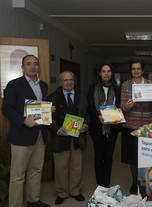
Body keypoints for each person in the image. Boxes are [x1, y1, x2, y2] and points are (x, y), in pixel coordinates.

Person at [2, 55, 50, 207]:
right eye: (28, 64)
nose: (32, 67)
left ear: (38, 67)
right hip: (21, 136)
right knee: (18, 176)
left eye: (35, 64)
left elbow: (39, 108)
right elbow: (6, 109)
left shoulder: (43, 85)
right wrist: (23, 120)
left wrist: (48, 110)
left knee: (36, 170)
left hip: (39, 136)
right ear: (22, 67)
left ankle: (33, 200)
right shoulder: (14, 84)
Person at [48, 71, 89, 205]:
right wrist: (56, 129)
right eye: (65, 80)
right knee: (61, 167)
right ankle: (62, 193)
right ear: (60, 82)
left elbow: (88, 113)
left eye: (71, 79)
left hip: (78, 137)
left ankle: (75, 191)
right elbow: (48, 119)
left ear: (74, 81)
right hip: (61, 137)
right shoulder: (52, 97)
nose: (68, 82)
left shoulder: (82, 96)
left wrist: (86, 125)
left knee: (76, 166)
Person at [121, 58, 152, 193]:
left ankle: (145, 182)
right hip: (130, 126)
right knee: (132, 158)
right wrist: (127, 106)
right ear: (131, 71)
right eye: (133, 69)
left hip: (146, 127)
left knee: (146, 156)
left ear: (142, 70)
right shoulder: (126, 85)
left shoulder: (150, 84)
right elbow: (122, 106)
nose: (136, 71)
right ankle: (134, 180)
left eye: (138, 68)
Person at [88, 64, 121, 187]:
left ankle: (106, 184)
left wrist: (116, 117)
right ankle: (99, 185)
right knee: (98, 157)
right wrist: (98, 116)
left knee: (108, 157)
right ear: (100, 73)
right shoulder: (93, 87)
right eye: (103, 71)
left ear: (111, 73)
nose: (106, 73)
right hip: (97, 127)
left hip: (112, 129)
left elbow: (119, 107)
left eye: (108, 71)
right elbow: (90, 106)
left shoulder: (117, 89)